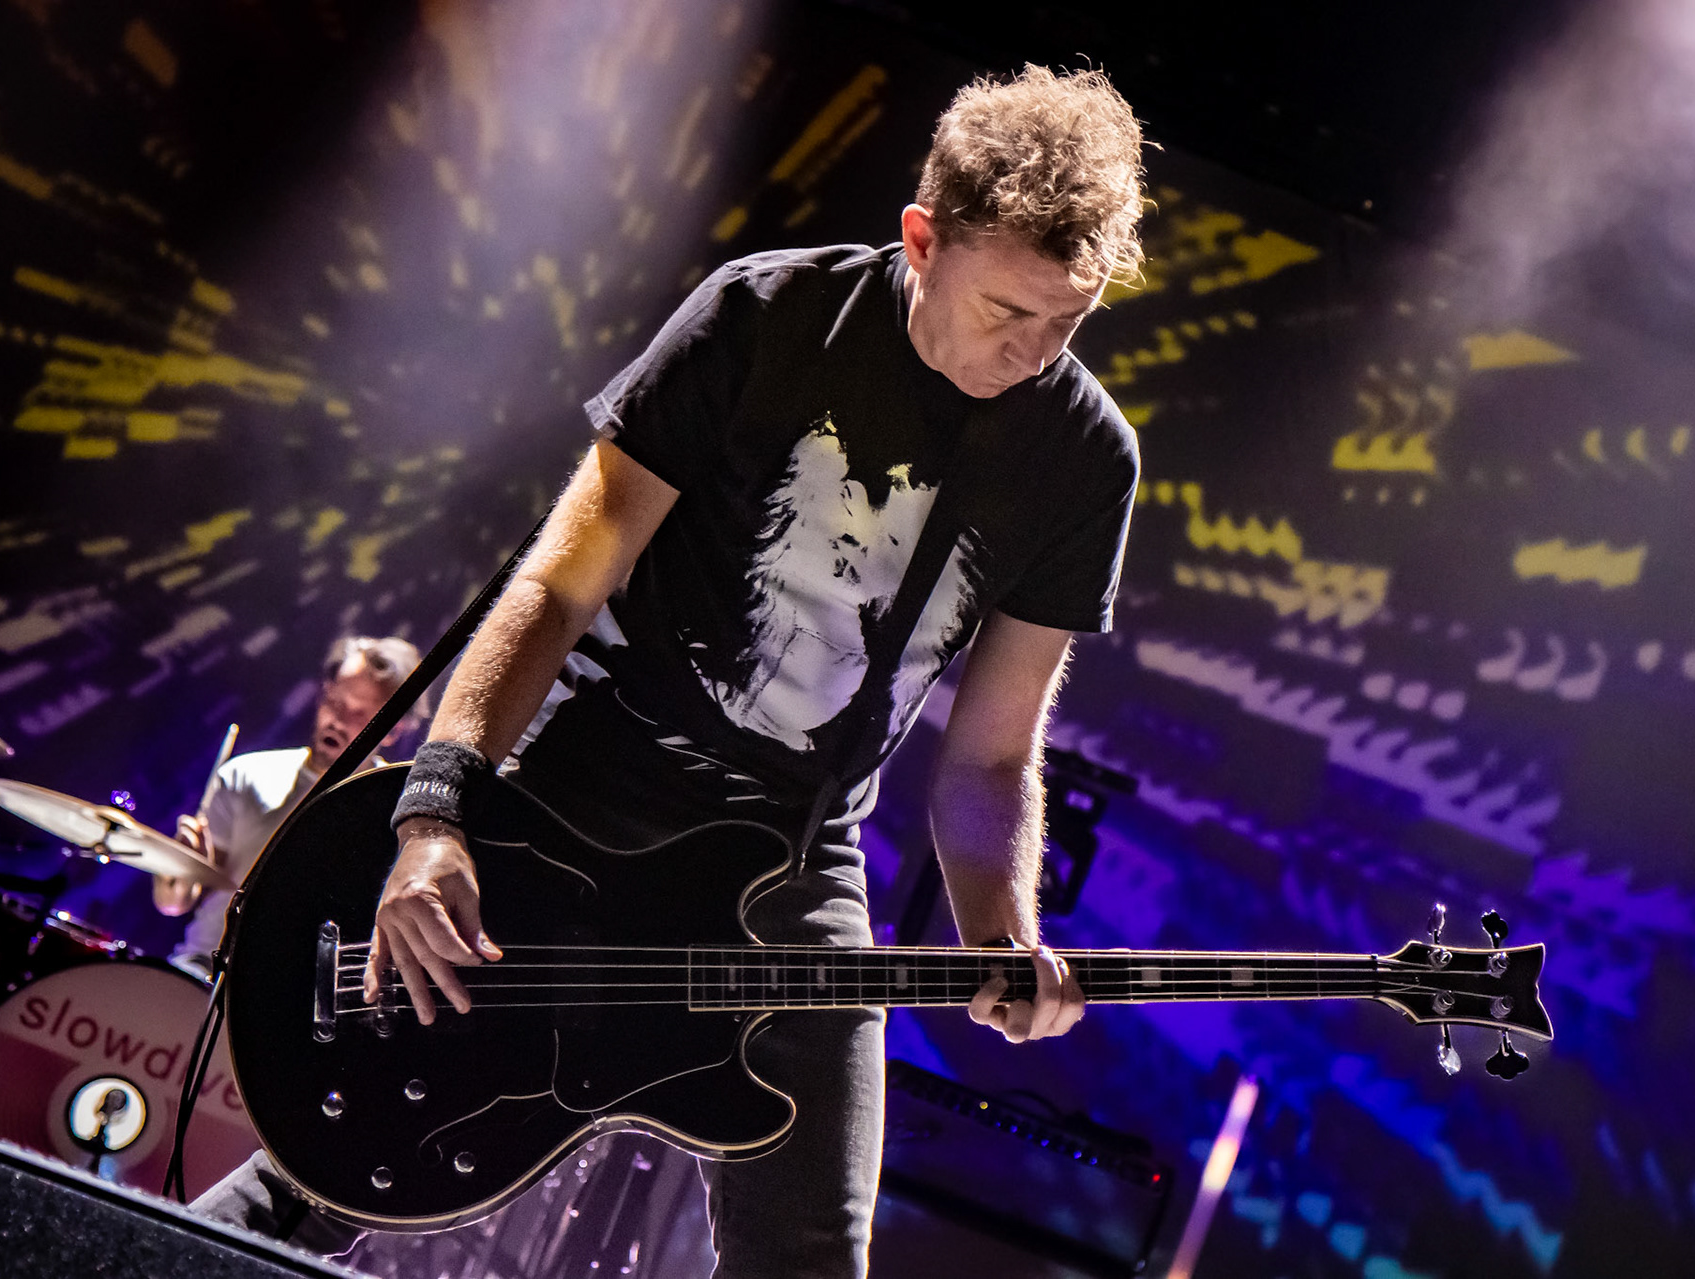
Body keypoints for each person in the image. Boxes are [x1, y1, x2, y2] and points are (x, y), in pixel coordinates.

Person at [210, 65, 1146, 1278]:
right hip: (576, 788)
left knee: (812, 1257)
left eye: (1069, 320)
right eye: (1008, 310)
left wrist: (1002, 935)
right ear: (923, 239)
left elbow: (992, 751)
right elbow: (559, 583)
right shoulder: (767, 315)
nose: (1035, 351)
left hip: (795, 857)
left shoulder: (1085, 458)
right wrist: (436, 814)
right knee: (345, 1169)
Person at [154, 635, 426, 978]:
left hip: (295, 991)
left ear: (395, 729)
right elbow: (173, 904)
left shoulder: (392, 809)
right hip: (201, 968)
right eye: (334, 700)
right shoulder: (246, 774)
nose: (337, 720)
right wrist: (177, 872)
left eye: (358, 711)